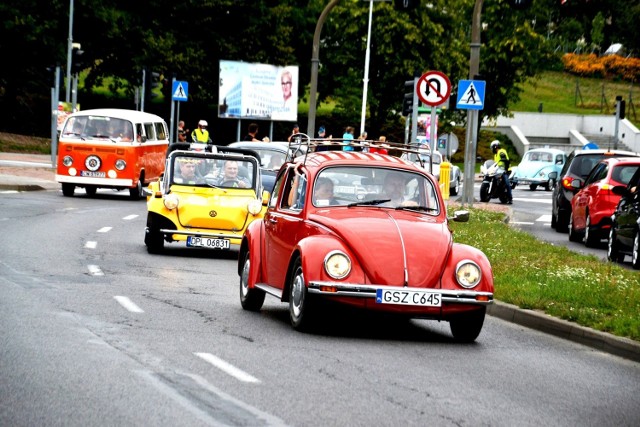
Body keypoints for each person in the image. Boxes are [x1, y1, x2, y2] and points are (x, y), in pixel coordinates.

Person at [490, 140, 513, 204]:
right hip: (498, 170)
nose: (492, 149)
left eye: (492, 147)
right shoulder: (495, 155)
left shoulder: (501, 151)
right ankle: (493, 193)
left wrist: (506, 169)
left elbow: (505, 160)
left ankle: (510, 198)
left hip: (505, 170)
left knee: (507, 183)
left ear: (495, 147)